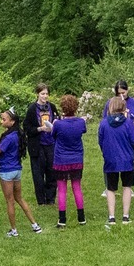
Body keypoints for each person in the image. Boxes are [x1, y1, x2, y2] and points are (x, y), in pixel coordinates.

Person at [0, 110, 43, 235]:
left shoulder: (9, 137)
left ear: (12, 121)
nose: (1, 121)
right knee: (19, 198)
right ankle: (35, 225)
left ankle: (14, 230)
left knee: (10, 201)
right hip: (17, 170)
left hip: (6, 172)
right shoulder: (16, 134)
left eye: (4, 119)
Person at [98, 93, 134, 225]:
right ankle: (125, 216)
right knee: (127, 186)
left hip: (110, 160)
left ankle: (111, 217)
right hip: (127, 160)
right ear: (123, 107)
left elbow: (100, 141)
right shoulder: (128, 123)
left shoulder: (104, 123)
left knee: (110, 188)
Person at [50, 94, 89, 228]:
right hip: (77, 158)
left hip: (61, 159)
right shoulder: (81, 122)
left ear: (62, 108)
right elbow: (83, 131)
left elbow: (53, 135)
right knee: (77, 187)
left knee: (62, 189)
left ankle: (62, 219)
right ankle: (81, 217)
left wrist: (55, 123)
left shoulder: (58, 124)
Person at [25, 84, 58, 206]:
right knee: (38, 173)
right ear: (37, 94)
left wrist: (55, 125)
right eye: (42, 93)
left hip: (51, 143)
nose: (45, 96)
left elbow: (57, 120)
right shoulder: (32, 108)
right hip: (37, 145)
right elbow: (27, 128)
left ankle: (51, 198)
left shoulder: (52, 107)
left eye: (46, 94)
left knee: (52, 171)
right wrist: (40, 129)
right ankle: (41, 200)